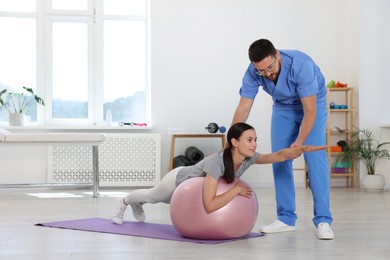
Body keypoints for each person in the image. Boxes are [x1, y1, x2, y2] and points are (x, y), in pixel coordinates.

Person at [111, 122, 326, 226]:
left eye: (255, 140)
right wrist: (236, 190)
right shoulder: (216, 163)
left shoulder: (248, 157)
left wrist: (300, 149)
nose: (254, 144)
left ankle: (134, 202)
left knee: (156, 200)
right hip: (178, 182)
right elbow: (210, 205)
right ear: (234, 142)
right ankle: (124, 202)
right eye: (249, 140)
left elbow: (276, 156)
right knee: (152, 197)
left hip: (192, 193)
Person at [230, 39, 334, 240]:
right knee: (280, 158)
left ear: (277, 55)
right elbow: (243, 108)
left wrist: (299, 142)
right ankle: (286, 219)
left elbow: (310, 110)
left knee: (315, 159)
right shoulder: (253, 72)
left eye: (270, 67)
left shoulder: (300, 64)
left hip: (314, 105)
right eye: (262, 71)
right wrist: (231, 142)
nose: (268, 73)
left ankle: (323, 220)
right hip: (283, 107)